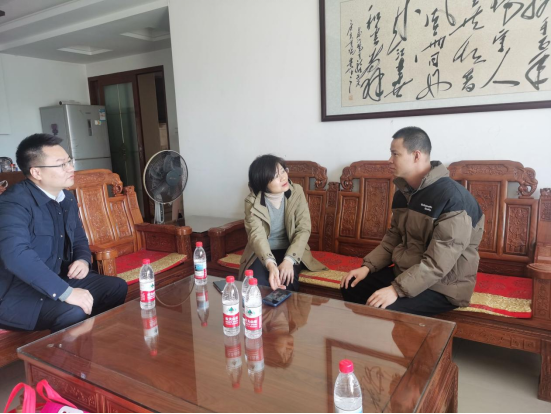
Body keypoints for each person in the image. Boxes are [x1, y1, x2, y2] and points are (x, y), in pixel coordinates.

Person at [341, 127, 485, 317]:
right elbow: (393, 239)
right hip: (407, 272)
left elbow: (437, 264)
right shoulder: (404, 193)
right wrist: (367, 267)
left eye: (395, 154)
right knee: (352, 285)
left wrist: (396, 290)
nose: (389, 160)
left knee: (386, 308)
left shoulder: (453, 199)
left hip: (444, 285)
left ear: (416, 155)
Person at [0, 134, 128, 333]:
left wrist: (83, 260)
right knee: (73, 312)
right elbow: (16, 256)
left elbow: (79, 238)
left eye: (69, 161)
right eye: (61, 164)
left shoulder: (66, 198)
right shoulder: (13, 204)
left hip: (58, 278)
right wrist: (66, 292)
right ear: (36, 172)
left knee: (116, 287)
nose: (70, 168)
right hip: (17, 293)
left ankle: (88, 341)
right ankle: (62, 352)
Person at [238, 155, 326, 291]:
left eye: (283, 171)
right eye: (275, 176)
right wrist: (270, 264)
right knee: (256, 283)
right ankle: (262, 306)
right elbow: (256, 235)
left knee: (287, 279)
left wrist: (289, 260)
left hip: (291, 249)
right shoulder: (252, 202)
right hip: (262, 251)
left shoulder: (297, 191)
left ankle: (287, 305)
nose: (283, 178)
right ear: (262, 182)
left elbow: (303, 229)